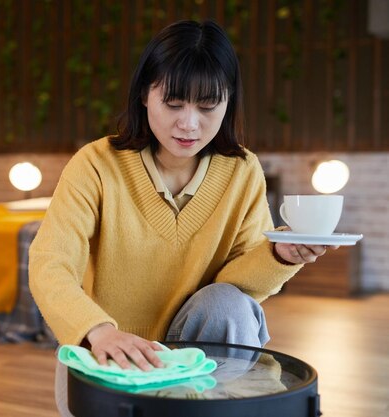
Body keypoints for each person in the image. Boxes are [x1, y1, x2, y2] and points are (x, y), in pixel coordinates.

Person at [29, 19, 332, 416]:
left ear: (229, 102)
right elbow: (50, 264)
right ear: (143, 95)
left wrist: (280, 256)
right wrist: (98, 331)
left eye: (208, 107)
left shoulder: (242, 172)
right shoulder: (96, 165)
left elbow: (238, 292)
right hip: (112, 360)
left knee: (228, 304)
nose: (189, 123)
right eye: (173, 104)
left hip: (200, 367)